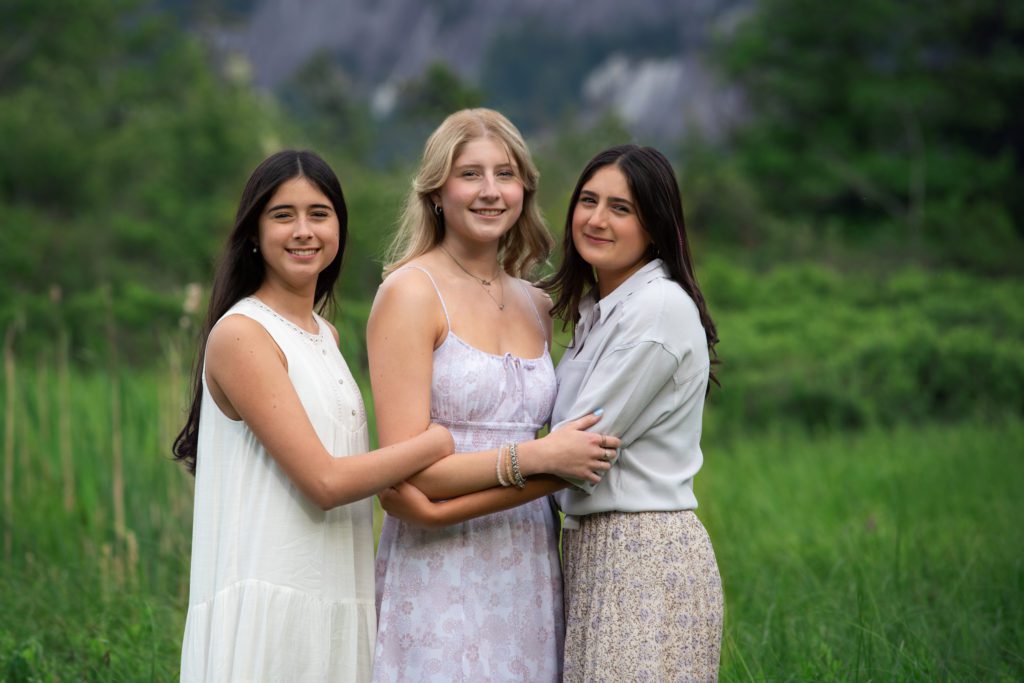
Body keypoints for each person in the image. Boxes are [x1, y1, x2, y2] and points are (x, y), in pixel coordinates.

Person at [380, 144, 724, 681]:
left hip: (638, 549)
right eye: (588, 200)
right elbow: (557, 453)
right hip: (577, 549)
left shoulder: (654, 309)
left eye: (622, 208)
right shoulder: (592, 312)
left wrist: (438, 503)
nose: (597, 219)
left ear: (656, 225)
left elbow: (580, 451)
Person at [173, 150, 454, 682]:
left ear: (340, 230)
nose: (304, 231)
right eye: (283, 215)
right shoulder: (242, 334)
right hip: (269, 612)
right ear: (254, 232)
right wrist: (435, 443)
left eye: (319, 214)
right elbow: (324, 481)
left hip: (334, 599)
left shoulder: (326, 336)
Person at [368, 109, 620, 682]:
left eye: (504, 174)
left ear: (524, 189)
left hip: (528, 562)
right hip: (438, 568)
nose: (489, 192)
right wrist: (538, 457)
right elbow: (411, 472)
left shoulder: (537, 304)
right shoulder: (409, 292)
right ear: (437, 192)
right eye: (469, 175)